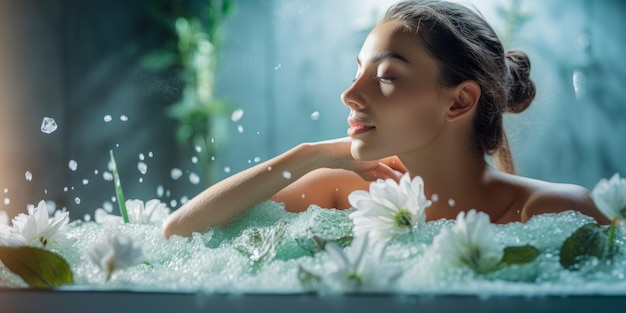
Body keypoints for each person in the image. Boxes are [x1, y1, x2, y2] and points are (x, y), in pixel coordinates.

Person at [162, 0, 607, 238]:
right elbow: (178, 233)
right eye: (358, 72)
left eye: (387, 76)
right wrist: (308, 156)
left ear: (459, 102)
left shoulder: (549, 213)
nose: (350, 94)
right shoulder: (342, 192)